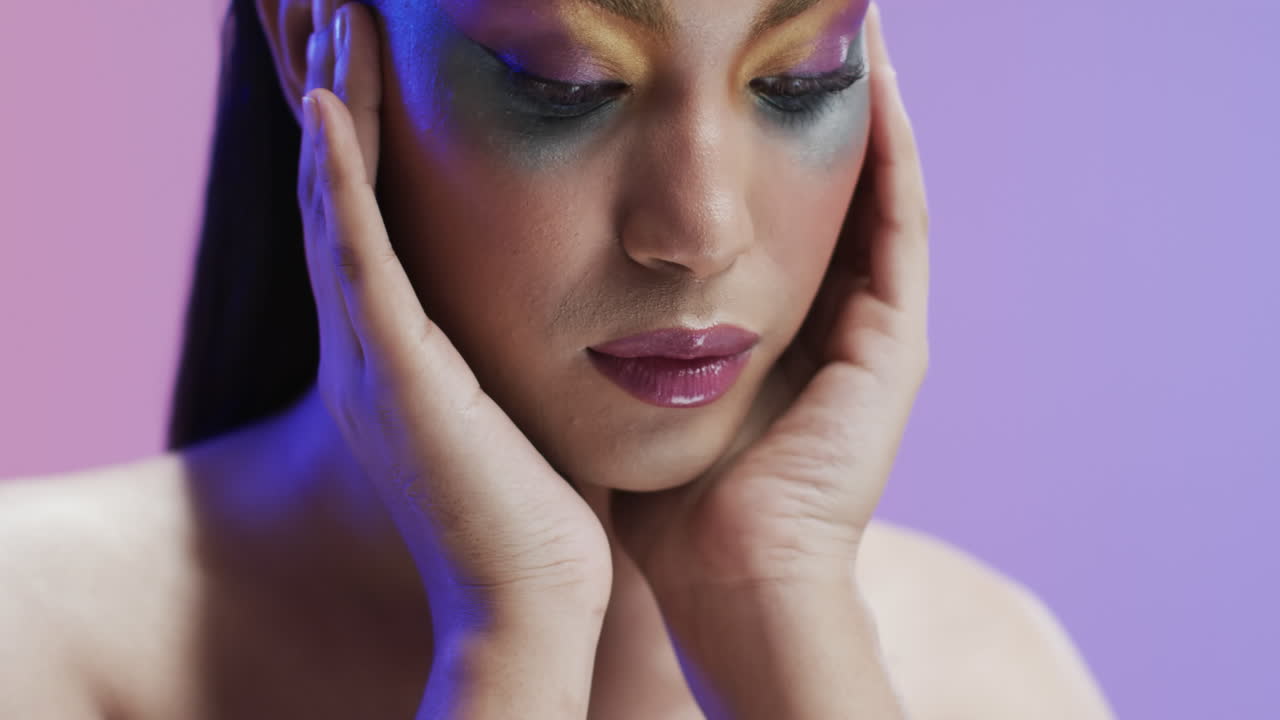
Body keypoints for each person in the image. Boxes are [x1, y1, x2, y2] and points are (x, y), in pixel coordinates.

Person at [0, 0, 1116, 717]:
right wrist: (511, 638)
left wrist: (781, 619)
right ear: (316, 44)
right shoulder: (33, 627)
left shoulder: (987, 668)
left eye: (800, 76)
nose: (701, 230)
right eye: (570, 83)